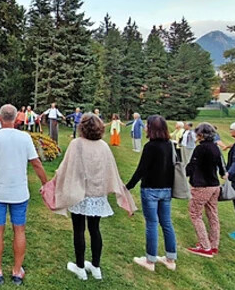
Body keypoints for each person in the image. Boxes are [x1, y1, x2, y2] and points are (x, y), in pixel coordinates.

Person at [0, 104, 50, 285]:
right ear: (17, 119)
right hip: (19, 193)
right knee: (19, 229)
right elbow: (36, 164)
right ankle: (16, 271)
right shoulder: (25, 137)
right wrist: (46, 184)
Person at [49, 114, 136, 281]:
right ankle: (96, 267)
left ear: (82, 127)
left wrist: (54, 182)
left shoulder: (77, 144)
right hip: (96, 194)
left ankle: (81, 267)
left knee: (79, 230)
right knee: (95, 230)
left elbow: (65, 168)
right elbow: (109, 170)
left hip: (80, 193)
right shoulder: (103, 146)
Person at [126, 115, 177, 272]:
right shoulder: (169, 145)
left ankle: (150, 260)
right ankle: (170, 258)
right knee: (166, 222)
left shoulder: (151, 147)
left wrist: (128, 186)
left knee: (152, 224)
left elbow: (142, 169)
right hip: (166, 189)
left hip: (151, 190)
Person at [185, 123, 225, 258]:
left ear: (201, 135)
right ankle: (214, 245)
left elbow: (192, 166)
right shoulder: (215, 148)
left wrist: (179, 173)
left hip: (202, 185)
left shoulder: (200, 149)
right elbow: (221, 165)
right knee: (213, 214)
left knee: (195, 214)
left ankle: (205, 246)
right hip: (214, 184)